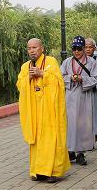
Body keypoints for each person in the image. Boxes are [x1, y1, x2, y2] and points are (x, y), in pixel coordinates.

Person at [16, 38, 70, 183]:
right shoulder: (25, 66)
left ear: (42, 48)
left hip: (50, 111)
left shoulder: (51, 62)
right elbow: (20, 84)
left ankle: (54, 172)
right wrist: (29, 77)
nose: (32, 50)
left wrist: (42, 74)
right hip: (34, 111)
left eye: (35, 47)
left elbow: (59, 83)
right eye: (29, 48)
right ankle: (39, 171)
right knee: (37, 141)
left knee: (51, 140)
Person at [61, 36, 97, 165]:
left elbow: (96, 79)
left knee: (83, 124)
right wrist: (71, 78)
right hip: (70, 97)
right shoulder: (67, 62)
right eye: (74, 49)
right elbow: (60, 77)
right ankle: (70, 150)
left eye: (79, 48)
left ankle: (81, 153)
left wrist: (82, 79)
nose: (76, 51)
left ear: (83, 48)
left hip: (85, 97)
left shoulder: (91, 62)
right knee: (70, 124)